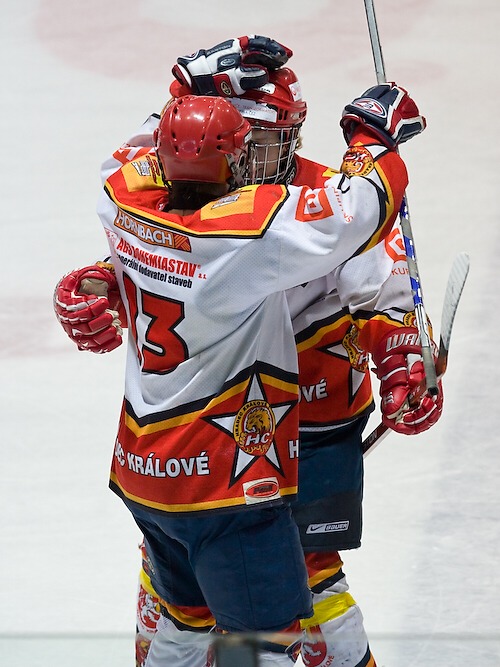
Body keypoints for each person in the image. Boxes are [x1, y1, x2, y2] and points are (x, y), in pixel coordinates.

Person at [54, 74, 425, 665]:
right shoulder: (261, 224)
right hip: (238, 463)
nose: (262, 153)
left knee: (198, 600)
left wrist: (401, 356)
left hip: (161, 460)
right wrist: (373, 141)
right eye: (250, 139)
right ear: (234, 152)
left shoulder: (123, 194)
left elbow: (382, 289)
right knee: (272, 623)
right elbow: (363, 208)